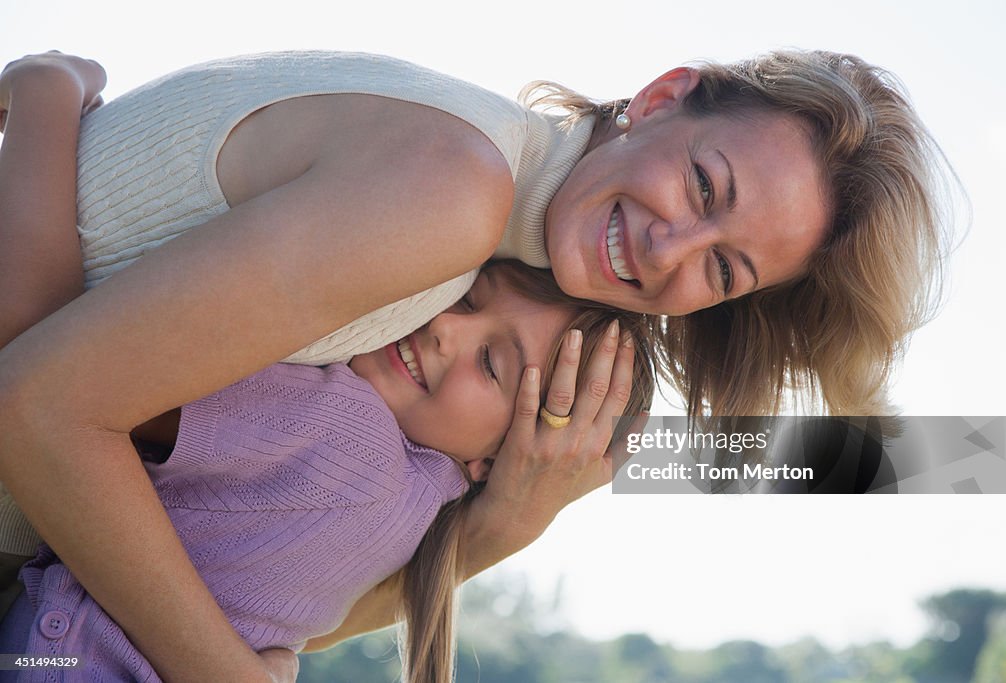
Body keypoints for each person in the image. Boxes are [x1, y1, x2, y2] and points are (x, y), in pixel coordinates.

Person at [0, 45, 952, 681]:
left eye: (722, 265)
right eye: (704, 183)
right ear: (662, 97)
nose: (669, 250)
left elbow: (241, 578)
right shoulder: (453, 197)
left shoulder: (490, 226)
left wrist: (499, 529)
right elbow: (34, 404)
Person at [0, 252, 654, 681]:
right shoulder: (409, 520)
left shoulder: (339, 428)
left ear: (493, 458)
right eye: (465, 297)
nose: (444, 330)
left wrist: (47, 96)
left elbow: (50, 359)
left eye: (493, 364)